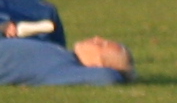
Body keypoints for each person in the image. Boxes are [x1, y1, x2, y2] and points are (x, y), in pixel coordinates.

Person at [0, 35, 129, 86]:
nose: (96, 38)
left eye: (101, 45)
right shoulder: (65, 55)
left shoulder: (64, 69)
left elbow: (108, 76)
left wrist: (122, 71)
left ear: (97, 64)